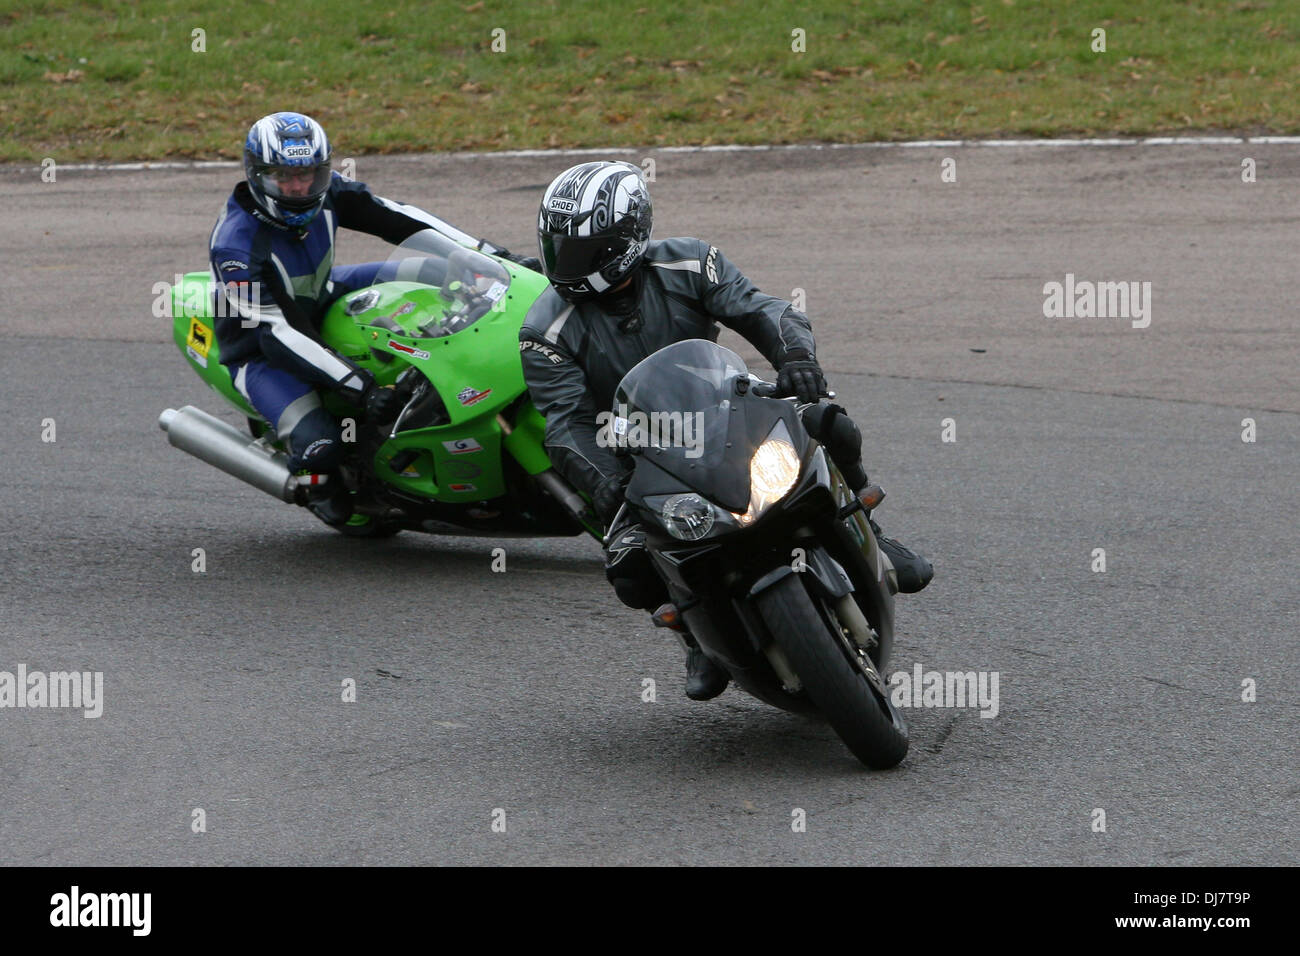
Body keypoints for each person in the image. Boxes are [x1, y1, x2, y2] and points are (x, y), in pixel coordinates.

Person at [518, 161, 932, 700]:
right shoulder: (542, 329)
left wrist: (796, 357)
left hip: (726, 406)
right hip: (634, 454)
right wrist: (605, 481)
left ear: (628, 236)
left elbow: (761, 309)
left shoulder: (690, 260)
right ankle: (694, 634)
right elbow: (566, 425)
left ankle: (868, 532)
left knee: (831, 424)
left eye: (580, 251)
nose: (563, 263)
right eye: (557, 247)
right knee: (630, 571)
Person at [209, 111, 536, 524]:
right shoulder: (234, 248)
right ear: (257, 174)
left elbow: (398, 217)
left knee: (441, 271)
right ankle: (317, 485)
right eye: (283, 176)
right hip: (260, 348)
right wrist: (360, 388)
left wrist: (488, 257)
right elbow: (279, 333)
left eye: (309, 174)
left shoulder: (327, 194)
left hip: (322, 294)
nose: (298, 187)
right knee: (320, 446)